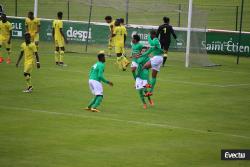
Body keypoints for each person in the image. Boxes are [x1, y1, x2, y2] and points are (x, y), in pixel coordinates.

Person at [140, 30, 164, 97]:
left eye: (150, 35)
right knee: (153, 76)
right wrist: (143, 55)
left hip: (157, 58)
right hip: (159, 58)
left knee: (144, 67)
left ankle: (146, 84)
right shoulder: (155, 41)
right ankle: (150, 92)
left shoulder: (155, 40)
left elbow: (151, 43)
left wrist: (148, 37)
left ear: (153, 35)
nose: (150, 36)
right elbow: (150, 50)